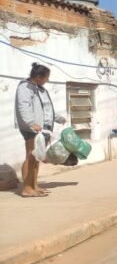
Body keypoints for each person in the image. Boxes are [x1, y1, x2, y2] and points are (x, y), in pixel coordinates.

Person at [14, 63, 67, 197]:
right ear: (38, 77)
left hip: (42, 128)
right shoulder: (25, 87)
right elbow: (23, 106)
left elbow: (46, 109)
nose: (47, 80)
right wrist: (31, 123)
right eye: (46, 77)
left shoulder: (40, 89)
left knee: (37, 157)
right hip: (31, 128)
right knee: (31, 156)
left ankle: (34, 185)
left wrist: (59, 118)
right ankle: (27, 188)